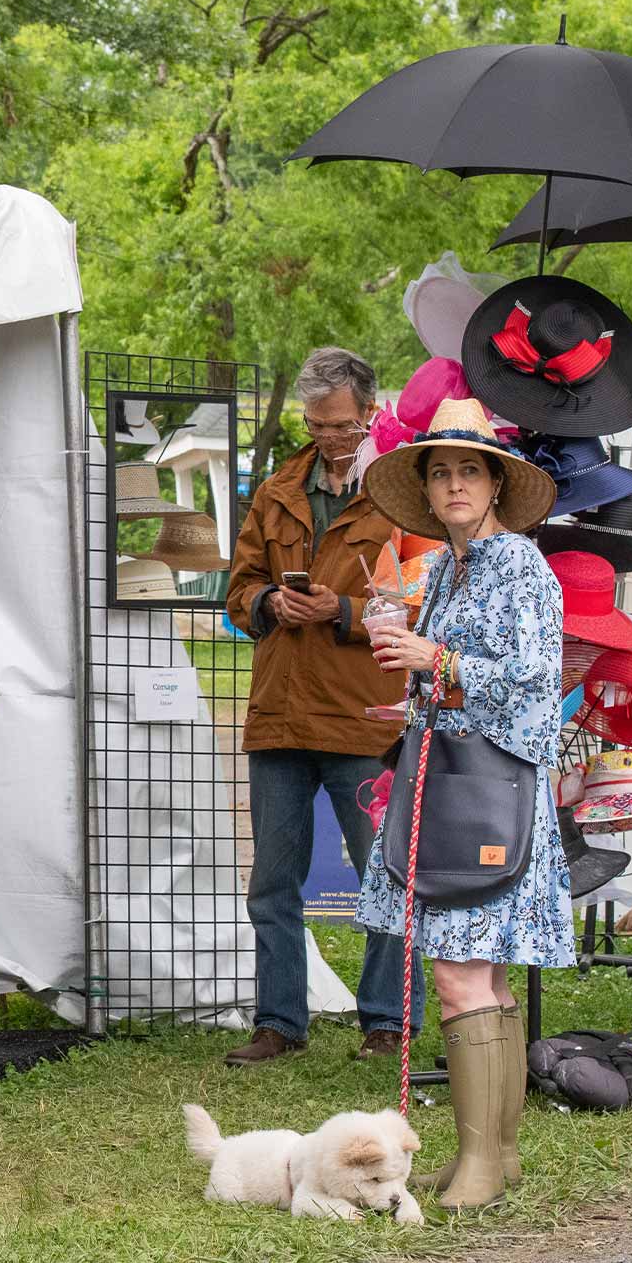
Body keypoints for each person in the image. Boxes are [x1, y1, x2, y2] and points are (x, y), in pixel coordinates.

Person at [356, 396, 573, 1211]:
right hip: (458, 787)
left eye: (468, 471)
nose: (453, 484)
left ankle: (481, 1164)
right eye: (439, 471)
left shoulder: (519, 564)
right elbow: (462, 677)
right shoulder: (444, 568)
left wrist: (433, 657)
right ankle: (499, 1155)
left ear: (494, 484)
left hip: (490, 797)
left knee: (458, 979)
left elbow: (533, 679)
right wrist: (418, 692)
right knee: (489, 981)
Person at [222, 347, 425, 1067]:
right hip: (279, 712)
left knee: (387, 876)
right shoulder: (277, 487)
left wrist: (343, 609)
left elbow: (426, 600)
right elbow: (237, 590)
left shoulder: (403, 490)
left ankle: (389, 1021)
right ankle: (278, 1022)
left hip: (364, 715)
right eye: (317, 425)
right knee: (272, 881)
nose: (330, 438)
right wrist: (267, 600)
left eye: (340, 425)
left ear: (369, 412)